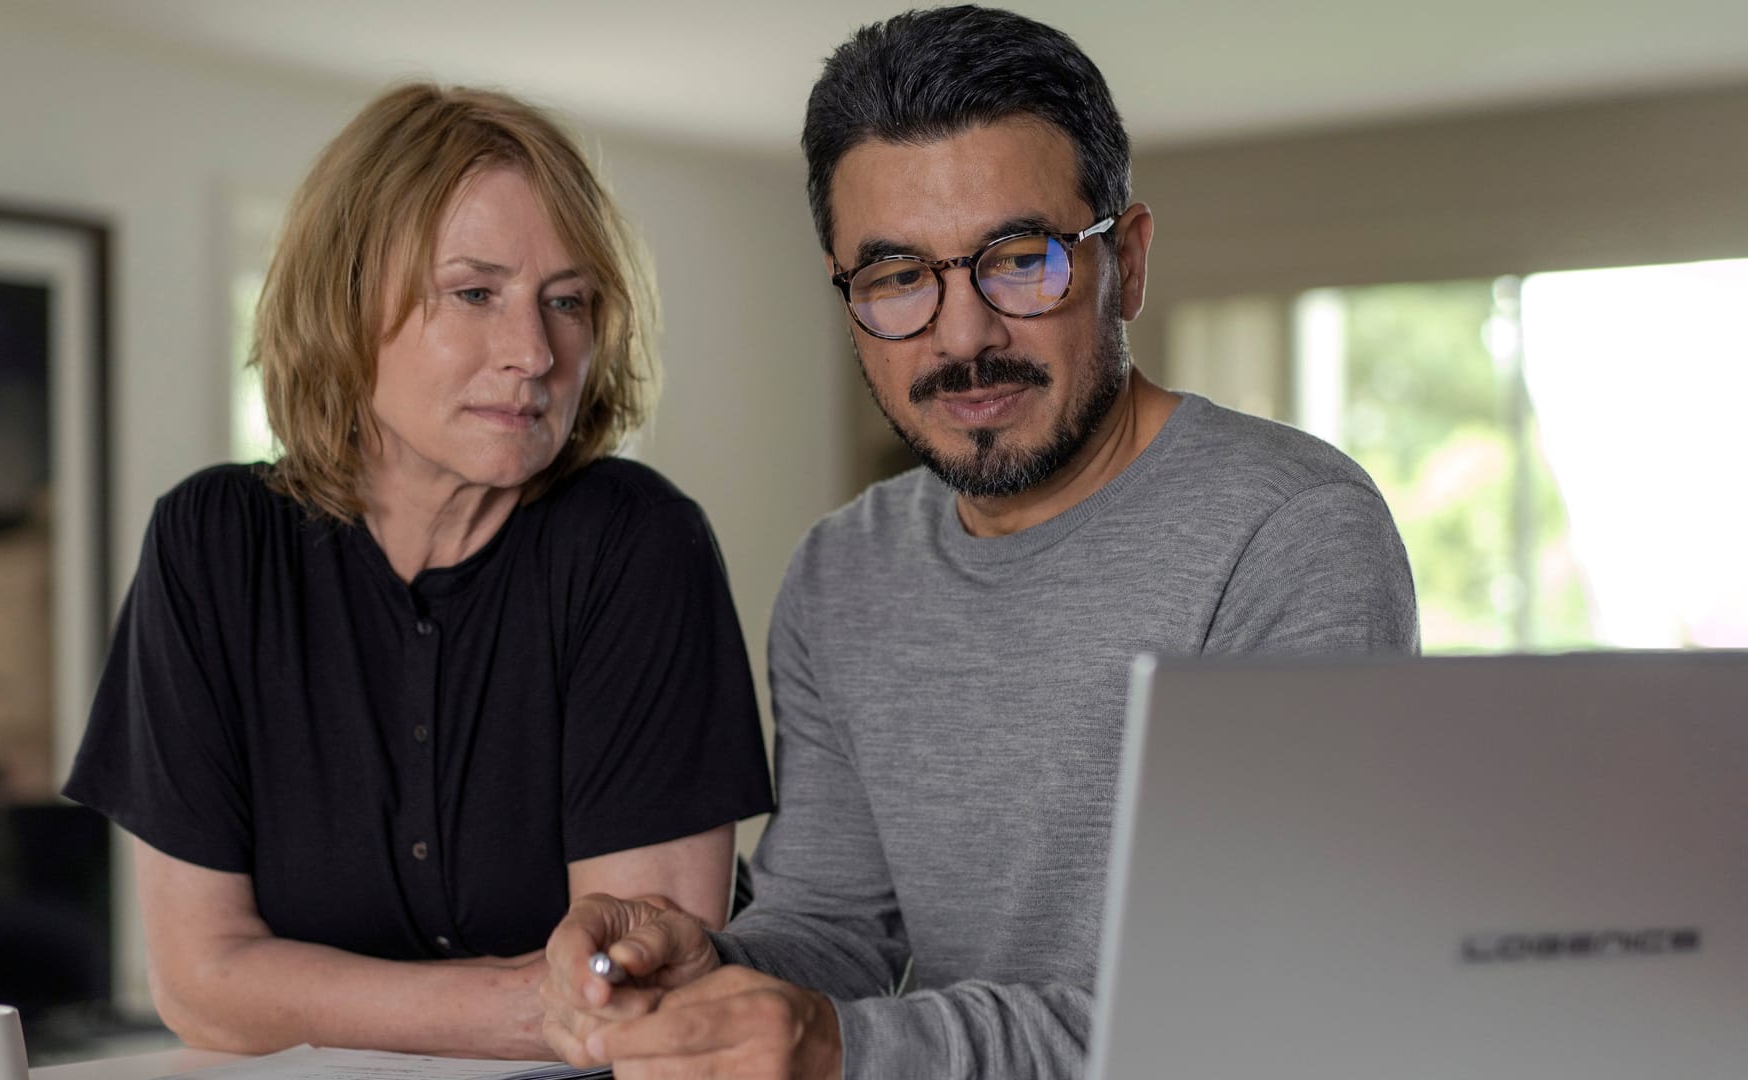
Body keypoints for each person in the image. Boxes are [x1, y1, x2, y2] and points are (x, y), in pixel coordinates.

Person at [539, 6, 1419, 1078]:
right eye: (898, 277)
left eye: (1020, 259)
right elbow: (834, 931)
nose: (963, 337)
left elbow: (1253, 1010)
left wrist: (846, 1048)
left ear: (1126, 261)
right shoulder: (842, 572)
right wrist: (708, 972)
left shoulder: (1290, 531)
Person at [63, 83, 773, 1059]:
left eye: (565, 302)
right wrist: (530, 1000)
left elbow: (635, 1004)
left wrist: (296, 991)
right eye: (475, 293)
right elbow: (199, 982)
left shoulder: (637, 545)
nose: (532, 353)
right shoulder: (211, 545)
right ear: (349, 303)